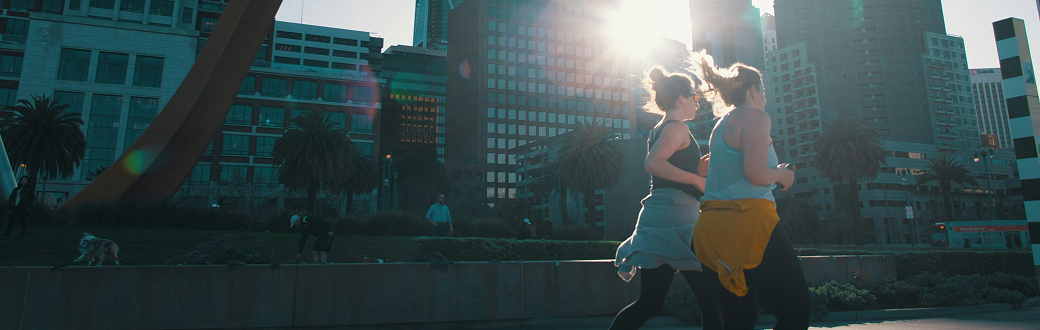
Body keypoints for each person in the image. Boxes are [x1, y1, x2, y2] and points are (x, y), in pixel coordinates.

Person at [691, 54, 810, 330]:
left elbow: (726, 171)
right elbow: (755, 173)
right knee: (796, 312)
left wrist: (773, 172)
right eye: (764, 90)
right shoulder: (757, 117)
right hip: (749, 224)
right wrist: (782, 174)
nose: (765, 97)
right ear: (754, 90)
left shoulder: (721, 125)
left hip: (710, 231)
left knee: (738, 322)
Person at [610, 67, 720, 330]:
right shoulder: (677, 128)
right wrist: (696, 180)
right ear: (681, 98)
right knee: (712, 300)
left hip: (658, 215)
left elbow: (666, 172)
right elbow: (653, 164)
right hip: (678, 216)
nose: (697, 101)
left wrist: (697, 173)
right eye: (694, 96)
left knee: (650, 303)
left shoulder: (660, 128)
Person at [4, 176, 34, 240]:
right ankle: (6, 235)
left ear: (27, 181)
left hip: (23, 209)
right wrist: (10, 207)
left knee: (23, 223)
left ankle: (23, 235)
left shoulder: (29, 190)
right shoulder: (16, 189)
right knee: (11, 222)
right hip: (15, 207)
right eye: (22, 180)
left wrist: (26, 206)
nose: (23, 181)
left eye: (25, 180)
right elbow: (11, 198)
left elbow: (31, 199)